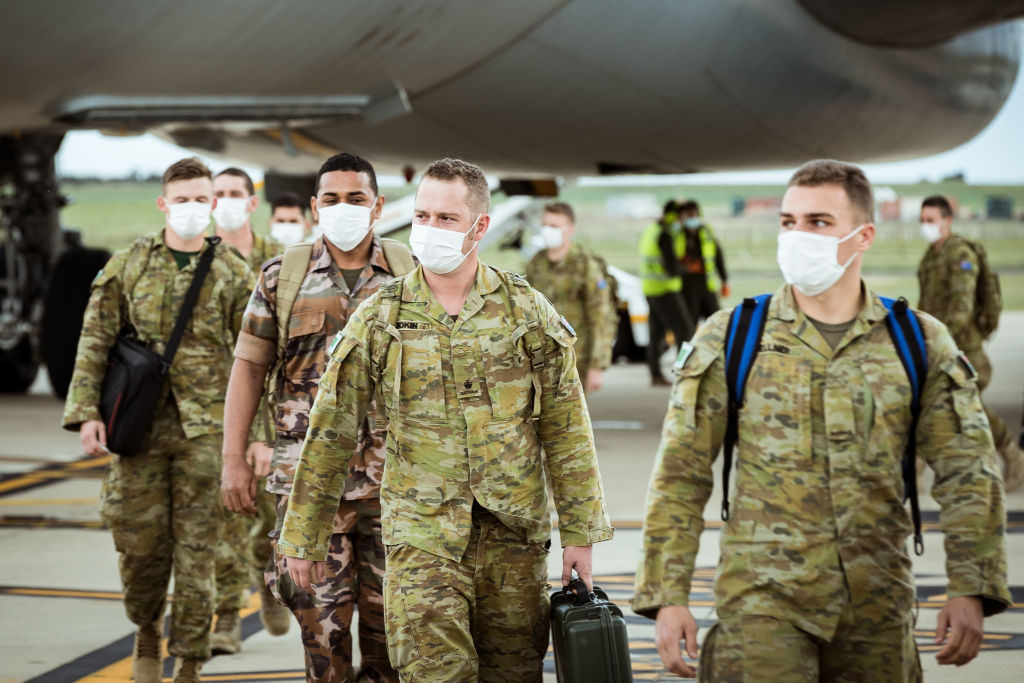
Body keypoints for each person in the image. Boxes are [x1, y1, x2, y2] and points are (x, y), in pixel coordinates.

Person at [633, 159, 1010, 681]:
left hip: (876, 608)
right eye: (788, 222)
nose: (797, 236)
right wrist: (667, 594)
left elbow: (968, 470)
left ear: (863, 236)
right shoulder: (733, 335)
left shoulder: (918, 341)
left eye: (818, 222)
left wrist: (971, 585)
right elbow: (681, 470)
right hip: (761, 606)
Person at [278, 158, 613, 682]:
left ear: (480, 227)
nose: (429, 229)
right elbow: (331, 429)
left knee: (513, 674)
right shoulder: (381, 315)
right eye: (422, 215)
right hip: (422, 537)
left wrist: (580, 533)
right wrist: (303, 535)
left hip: (514, 540)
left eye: (446, 218)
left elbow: (567, 428)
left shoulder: (526, 310)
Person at [62, 157, 254, 683]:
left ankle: (189, 661)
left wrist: (254, 437)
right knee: (140, 546)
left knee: (199, 552)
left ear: (213, 204)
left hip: (207, 433)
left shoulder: (235, 275)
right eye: (182, 198)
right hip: (137, 428)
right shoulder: (129, 265)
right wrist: (86, 415)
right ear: (163, 203)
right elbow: (95, 341)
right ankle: (146, 630)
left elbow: (258, 359)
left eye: (201, 199)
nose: (192, 208)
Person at [222, 152, 411, 682]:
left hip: (393, 488)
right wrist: (232, 459)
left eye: (356, 199)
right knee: (323, 642)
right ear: (313, 207)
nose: (343, 208)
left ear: (377, 207)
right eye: (331, 199)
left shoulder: (410, 275)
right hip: (308, 491)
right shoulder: (283, 277)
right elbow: (248, 371)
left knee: (391, 639)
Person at [211, 166, 289, 653]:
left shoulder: (278, 263)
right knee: (222, 520)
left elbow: (278, 360)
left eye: (234, 193)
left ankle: (269, 582)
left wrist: (263, 432)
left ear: (251, 201)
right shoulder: (199, 260)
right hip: (208, 417)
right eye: (217, 194)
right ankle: (223, 619)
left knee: (266, 519)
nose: (225, 202)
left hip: (268, 420)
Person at [917, 195, 1024, 491]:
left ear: (947, 221)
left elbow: (961, 310)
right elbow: (926, 304)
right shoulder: (931, 256)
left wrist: (938, 343)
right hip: (939, 349)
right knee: (932, 406)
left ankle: (1014, 456)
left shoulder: (960, 255)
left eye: (931, 220)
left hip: (963, 353)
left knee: (967, 408)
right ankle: (915, 469)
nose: (925, 226)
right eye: (922, 220)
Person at [525, 201, 616, 393]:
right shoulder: (536, 264)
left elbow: (600, 317)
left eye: (554, 226)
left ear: (569, 229)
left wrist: (597, 366)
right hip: (540, 358)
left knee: (571, 421)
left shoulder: (585, 265)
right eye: (545, 225)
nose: (548, 230)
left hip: (576, 359)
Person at [638, 200, 695, 386]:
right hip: (665, 289)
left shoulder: (651, 230)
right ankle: (683, 372)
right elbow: (672, 268)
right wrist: (687, 268)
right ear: (673, 216)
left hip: (649, 288)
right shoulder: (665, 235)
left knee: (655, 334)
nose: (682, 220)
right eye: (681, 216)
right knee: (685, 330)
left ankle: (655, 375)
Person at [677, 199, 730, 322]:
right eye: (689, 215)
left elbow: (718, 256)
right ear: (682, 217)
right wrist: (686, 267)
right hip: (686, 287)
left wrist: (724, 280)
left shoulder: (706, 232)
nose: (693, 218)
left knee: (717, 323)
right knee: (689, 326)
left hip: (707, 285)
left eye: (695, 214)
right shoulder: (678, 235)